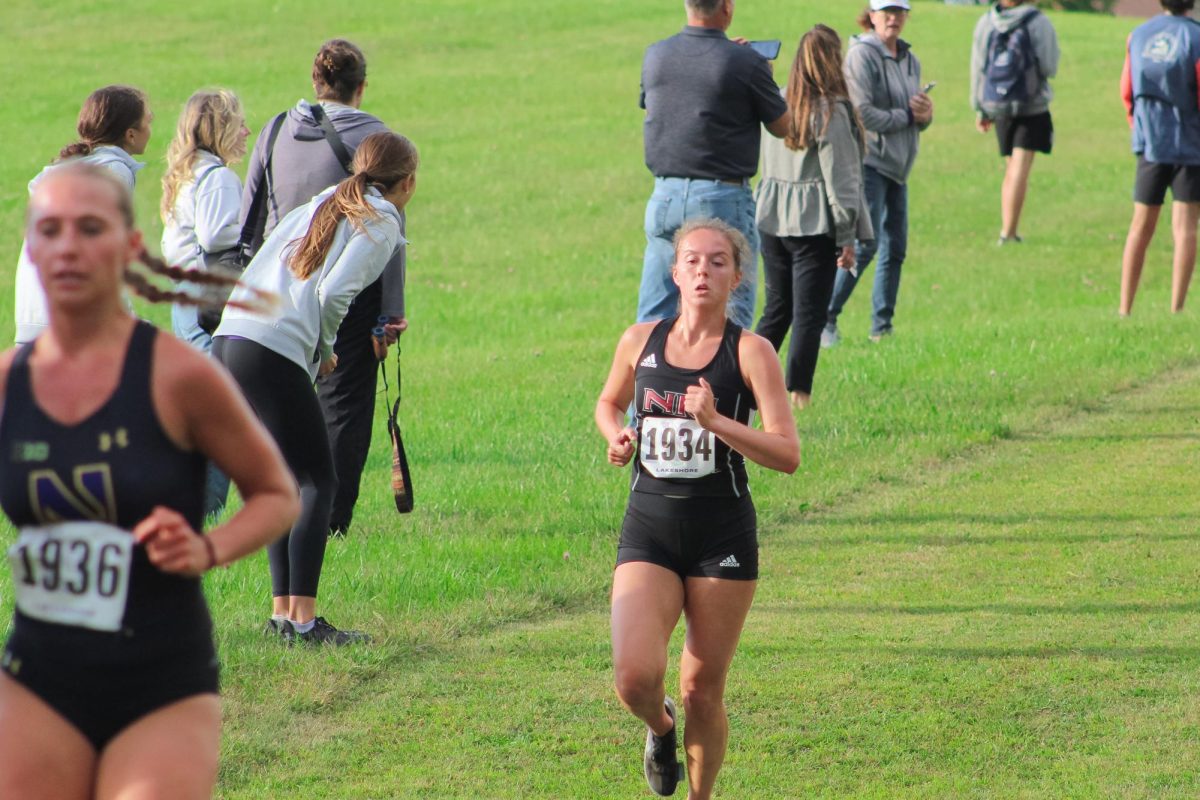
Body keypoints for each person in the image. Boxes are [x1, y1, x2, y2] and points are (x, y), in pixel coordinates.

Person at [0, 162, 298, 799]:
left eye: (90, 227)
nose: (70, 246)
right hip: (37, 675)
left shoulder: (179, 376)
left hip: (159, 680)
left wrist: (207, 548)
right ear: (31, 247)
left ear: (131, 246)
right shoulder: (7, 385)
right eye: (50, 230)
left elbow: (277, 495)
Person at [595, 219, 799, 799]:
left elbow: (787, 454)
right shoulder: (639, 341)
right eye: (691, 260)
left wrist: (716, 423)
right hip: (650, 532)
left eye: (716, 262)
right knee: (635, 677)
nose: (703, 271)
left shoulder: (752, 352)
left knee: (701, 690)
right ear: (674, 271)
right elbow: (608, 402)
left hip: (722, 537)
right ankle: (659, 729)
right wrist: (615, 434)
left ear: (736, 276)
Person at [214, 131, 418, 645]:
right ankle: (303, 622)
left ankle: (284, 617)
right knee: (317, 481)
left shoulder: (324, 199)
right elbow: (333, 292)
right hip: (270, 346)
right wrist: (324, 349)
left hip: (232, 337)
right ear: (407, 183)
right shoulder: (383, 219)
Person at [240, 38, 408, 537]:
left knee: (283, 411)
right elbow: (392, 236)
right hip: (348, 298)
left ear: (317, 81)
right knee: (342, 409)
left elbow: (249, 220)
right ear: (361, 88)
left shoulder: (273, 130)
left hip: (272, 294)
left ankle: (278, 511)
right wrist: (389, 317)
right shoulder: (379, 140)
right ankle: (329, 523)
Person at [637, 0, 789, 332]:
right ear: (727, 7)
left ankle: (647, 381)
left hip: (664, 197)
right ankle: (723, 385)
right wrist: (759, 75)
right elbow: (783, 126)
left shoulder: (656, 55)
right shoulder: (746, 62)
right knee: (729, 318)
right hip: (721, 197)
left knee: (654, 318)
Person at [755, 25, 871, 410]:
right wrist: (846, 236)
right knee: (809, 313)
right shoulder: (831, 112)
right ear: (832, 60)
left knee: (777, 310)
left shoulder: (779, 102)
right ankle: (799, 395)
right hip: (813, 225)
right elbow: (843, 182)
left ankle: (744, 380)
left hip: (771, 221)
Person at [160, 89, 252, 518]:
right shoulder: (217, 177)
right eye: (239, 123)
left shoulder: (187, 173)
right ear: (221, 128)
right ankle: (201, 509)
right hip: (209, 300)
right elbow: (216, 237)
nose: (247, 131)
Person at [822, 0, 933, 347]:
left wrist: (925, 114)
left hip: (899, 167)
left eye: (900, 11)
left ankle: (881, 328)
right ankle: (824, 318)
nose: (893, 18)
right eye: (886, 11)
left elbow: (915, 116)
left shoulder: (909, 58)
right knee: (865, 245)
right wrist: (907, 117)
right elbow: (862, 114)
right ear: (871, 15)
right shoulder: (861, 56)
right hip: (869, 163)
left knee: (895, 248)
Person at [14, 85, 153, 345]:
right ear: (131, 134)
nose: (151, 129)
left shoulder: (68, 171)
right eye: (149, 121)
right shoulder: (114, 171)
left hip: (32, 320)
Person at [1119, 0, 1200, 316]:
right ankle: (1176, 308)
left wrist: (1140, 128)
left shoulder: (1138, 35)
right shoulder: (1196, 37)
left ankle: (1125, 308)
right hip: (1191, 144)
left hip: (1151, 143)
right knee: (1185, 226)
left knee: (1140, 226)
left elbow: (1127, 90)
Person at [970, 0, 1060, 245]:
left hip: (998, 105)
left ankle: (1008, 228)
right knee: (1019, 168)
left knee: (1011, 168)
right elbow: (1050, 66)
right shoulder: (1038, 21)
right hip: (1032, 105)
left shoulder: (986, 22)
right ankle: (1008, 232)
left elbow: (978, 68)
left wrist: (981, 109)